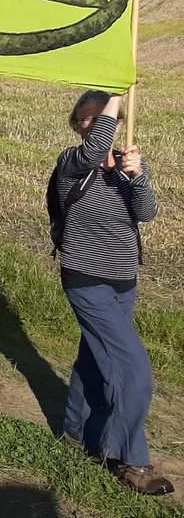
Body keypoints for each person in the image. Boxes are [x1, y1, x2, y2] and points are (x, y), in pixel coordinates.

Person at [56, 91, 171, 496]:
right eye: (86, 119)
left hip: (124, 281)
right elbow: (92, 152)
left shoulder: (129, 167)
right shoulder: (73, 163)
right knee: (133, 366)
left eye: (102, 119)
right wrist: (116, 95)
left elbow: (147, 213)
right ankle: (130, 458)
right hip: (84, 277)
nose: (95, 125)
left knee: (95, 355)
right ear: (76, 126)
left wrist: (138, 176)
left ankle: (74, 429)